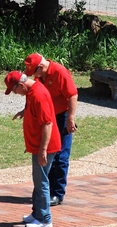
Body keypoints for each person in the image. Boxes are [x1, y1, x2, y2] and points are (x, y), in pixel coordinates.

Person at [5, 71, 61, 227]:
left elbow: (47, 124)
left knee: (41, 181)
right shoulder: (32, 91)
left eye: (14, 90)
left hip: (45, 147)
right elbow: (36, 111)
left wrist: (43, 149)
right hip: (39, 146)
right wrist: (25, 112)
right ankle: (37, 214)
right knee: (38, 180)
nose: (16, 94)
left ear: (21, 85)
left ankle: (44, 219)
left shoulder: (38, 95)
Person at [24, 53, 78, 206]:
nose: (33, 76)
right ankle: (47, 192)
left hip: (62, 117)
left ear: (40, 67)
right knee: (50, 155)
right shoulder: (40, 75)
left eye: (34, 72)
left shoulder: (59, 72)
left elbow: (73, 95)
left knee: (60, 157)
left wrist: (70, 118)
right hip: (49, 117)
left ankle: (57, 193)